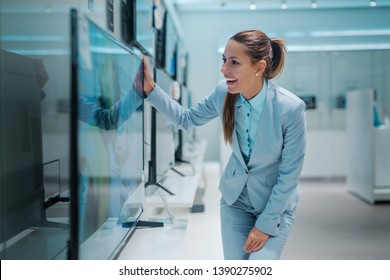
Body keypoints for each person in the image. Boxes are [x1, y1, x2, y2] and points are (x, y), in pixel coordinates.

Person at [142, 30, 306, 260]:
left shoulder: (290, 108)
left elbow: (289, 175)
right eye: (224, 60)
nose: (224, 68)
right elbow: (186, 119)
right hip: (234, 201)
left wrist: (264, 225)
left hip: (273, 206)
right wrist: (150, 89)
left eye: (234, 62)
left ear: (259, 67)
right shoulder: (224, 92)